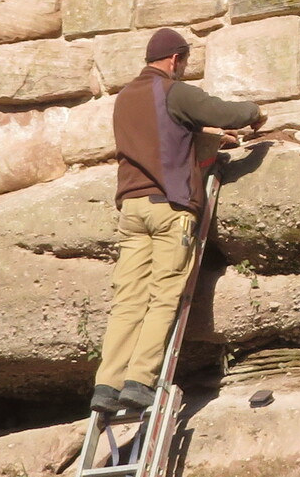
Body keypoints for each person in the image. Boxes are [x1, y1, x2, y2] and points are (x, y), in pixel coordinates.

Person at [95, 28, 261, 418]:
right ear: (175, 59)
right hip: (169, 208)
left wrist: (202, 135)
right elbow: (227, 112)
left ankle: (106, 385)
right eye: (184, 62)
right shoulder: (175, 92)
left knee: (127, 300)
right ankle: (139, 381)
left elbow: (162, 134)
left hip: (132, 208)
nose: (183, 69)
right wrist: (255, 113)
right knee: (164, 296)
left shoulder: (125, 97)